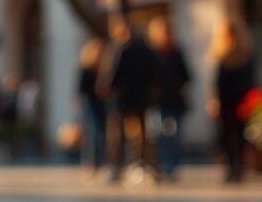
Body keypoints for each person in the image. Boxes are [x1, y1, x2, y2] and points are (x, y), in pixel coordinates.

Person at [102, 17, 158, 183]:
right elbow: (154, 74)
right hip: (141, 98)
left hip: (124, 99)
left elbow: (114, 74)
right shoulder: (147, 50)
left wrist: (108, 87)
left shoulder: (121, 50)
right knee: (141, 133)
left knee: (118, 134)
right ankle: (142, 163)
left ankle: (117, 165)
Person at [209, 18, 254, 184]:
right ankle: (232, 167)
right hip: (227, 99)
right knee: (227, 135)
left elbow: (250, 79)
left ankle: (237, 167)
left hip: (238, 99)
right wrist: (214, 100)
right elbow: (217, 81)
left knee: (237, 135)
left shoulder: (245, 53)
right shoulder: (221, 52)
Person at [149, 16, 192, 182]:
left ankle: (172, 166)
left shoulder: (177, 53)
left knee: (173, 136)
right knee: (158, 136)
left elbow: (186, 76)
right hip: (158, 103)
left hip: (174, 101)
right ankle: (159, 166)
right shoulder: (152, 54)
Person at [77, 38, 108, 173]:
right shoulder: (86, 70)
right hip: (90, 104)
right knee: (92, 134)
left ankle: (99, 161)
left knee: (100, 133)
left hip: (102, 104)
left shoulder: (103, 70)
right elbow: (81, 89)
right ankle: (91, 162)